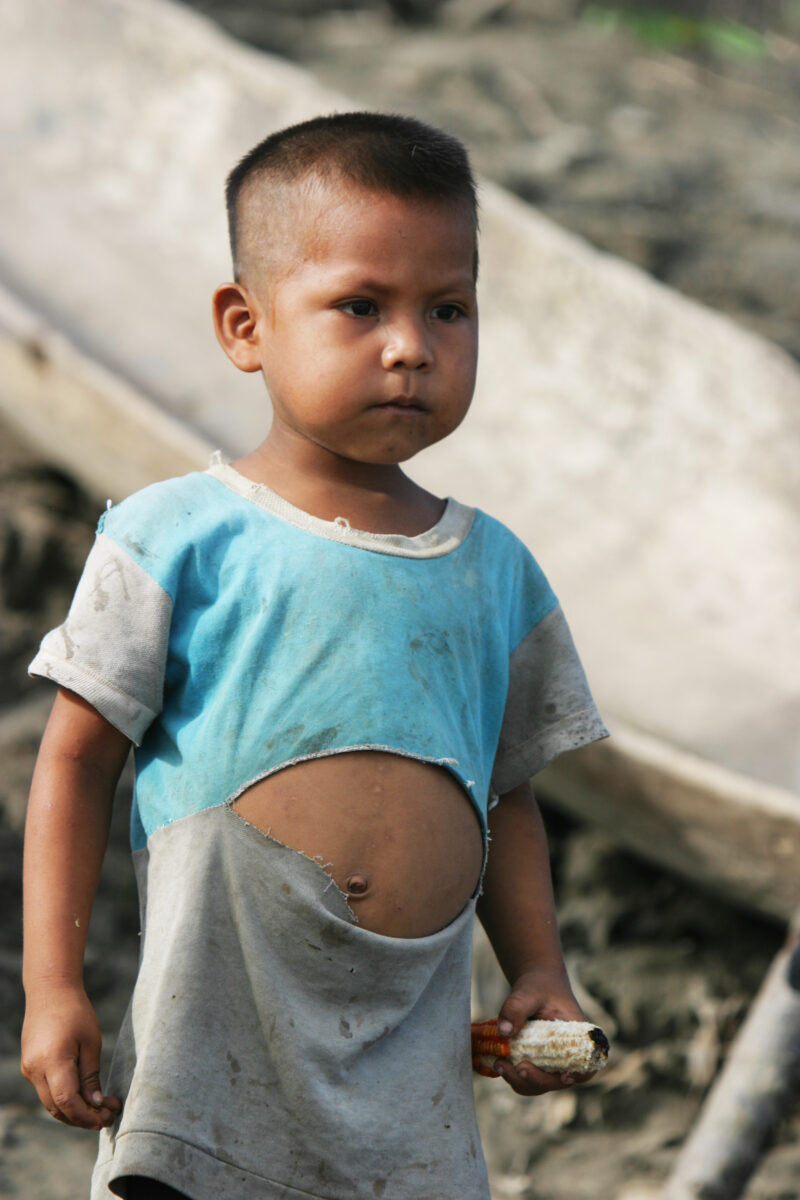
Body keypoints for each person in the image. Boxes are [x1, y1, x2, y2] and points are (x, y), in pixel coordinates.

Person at [20, 112, 608, 1200]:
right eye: (359, 307)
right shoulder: (176, 538)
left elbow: (505, 791)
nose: (410, 346)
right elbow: (73, 762)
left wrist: (538, 970)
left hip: (403, 1076)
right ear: (244, 327)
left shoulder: (494, 571)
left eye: (447, 310)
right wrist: (53, 987)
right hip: (215, 1050)